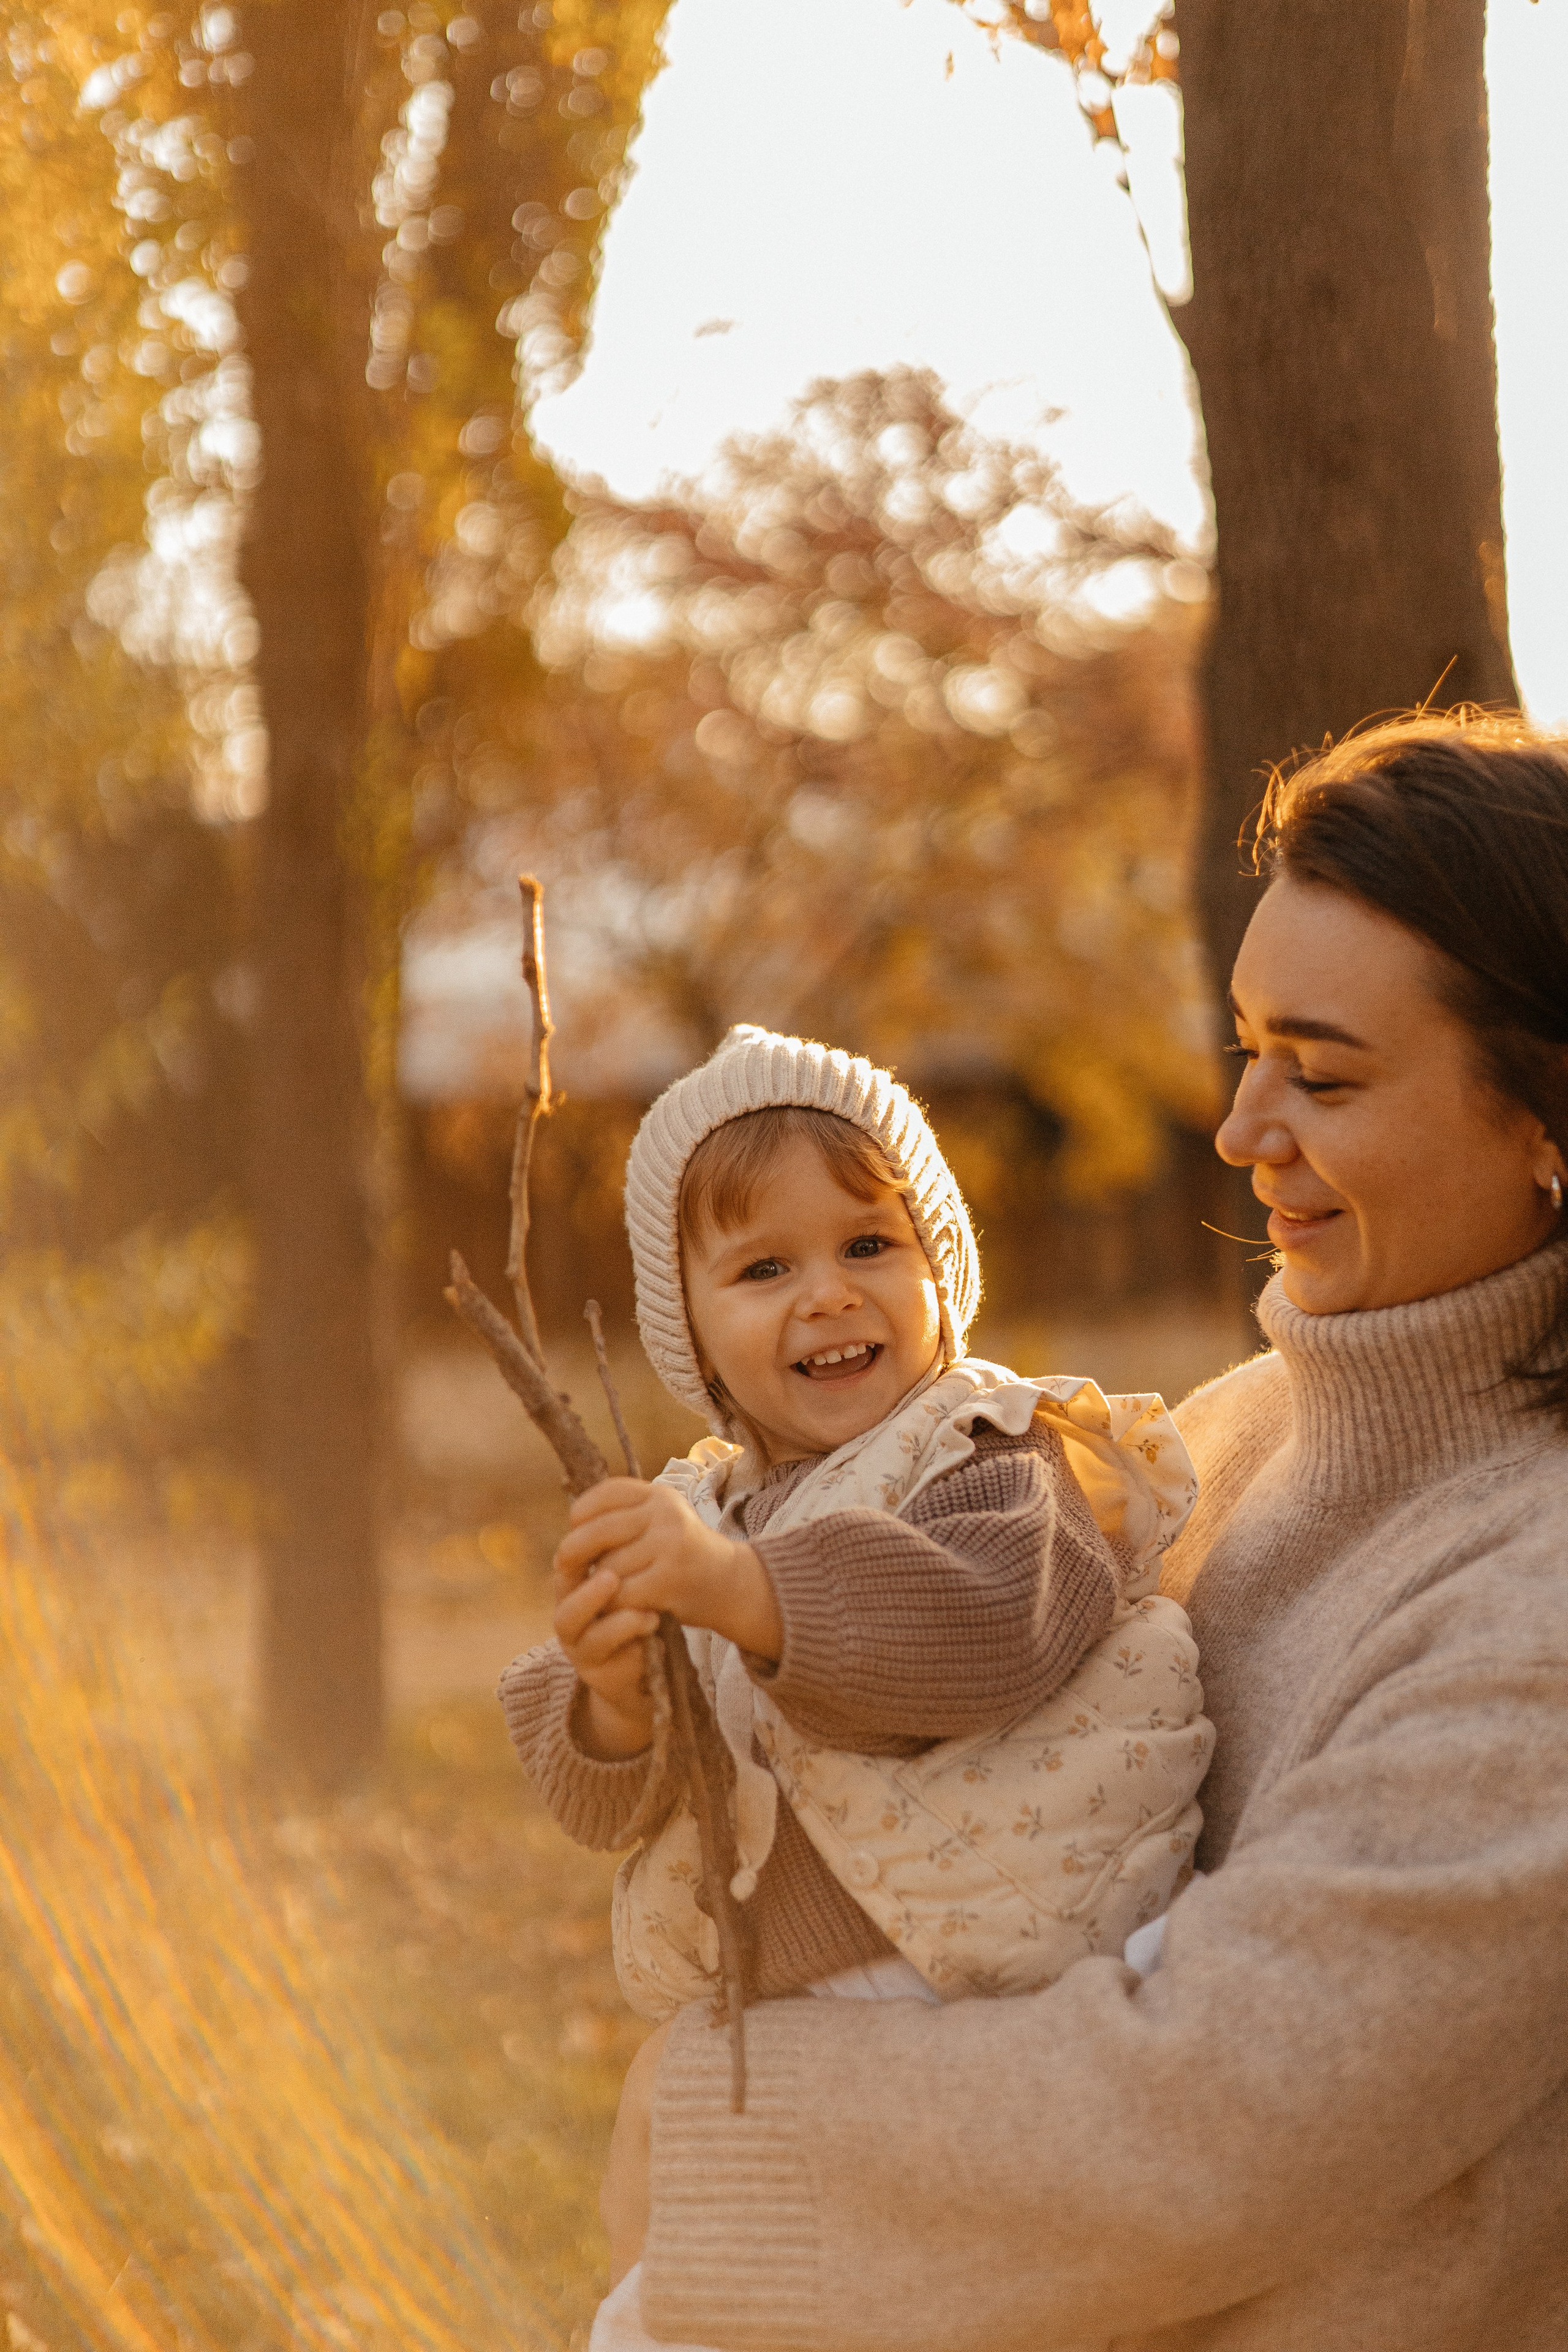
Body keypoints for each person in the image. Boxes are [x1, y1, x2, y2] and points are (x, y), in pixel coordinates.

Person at [598, 709, 1568, 2352]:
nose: (1242, 1128)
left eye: (1321, 1074)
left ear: (1547, 1123)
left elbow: (1210, 2119)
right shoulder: (1223, 1444)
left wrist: (716, 2126)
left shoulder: (1532, 1605)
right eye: (1249, 1047)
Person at [499, 1025, 1212, 2350]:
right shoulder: (701, 1514)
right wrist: (616, 1700)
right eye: (763, 1267)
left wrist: (746, 1596)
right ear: (695, 1340)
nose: (826, 1295)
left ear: (943, 1272)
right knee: (672, 2313)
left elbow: (985, 1627)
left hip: (988, 1979)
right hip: (809, 2025)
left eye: (868, 1247)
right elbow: (605, 1805)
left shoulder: (987, 1452)